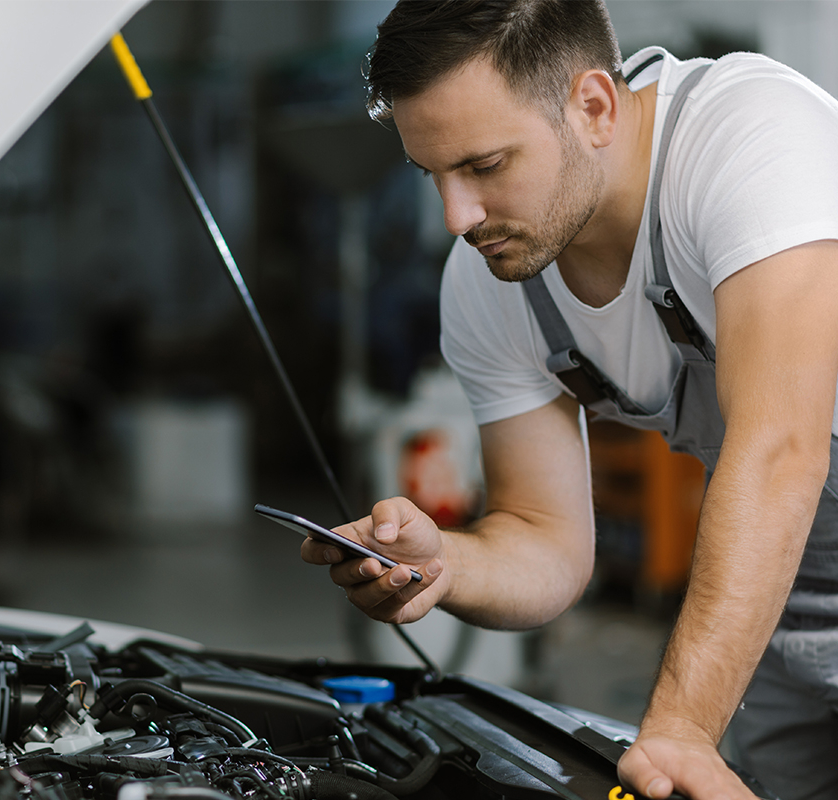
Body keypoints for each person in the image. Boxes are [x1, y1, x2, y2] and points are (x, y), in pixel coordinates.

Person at [300, 2, 838, 798]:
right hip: (783, 613)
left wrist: (684, 726)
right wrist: (445, 564)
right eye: (434, 176)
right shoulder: (492, 285)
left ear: (593, 105)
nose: (457, 218)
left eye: (484, 166)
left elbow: (781, 450)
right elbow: (546, 543)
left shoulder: (750, 139)